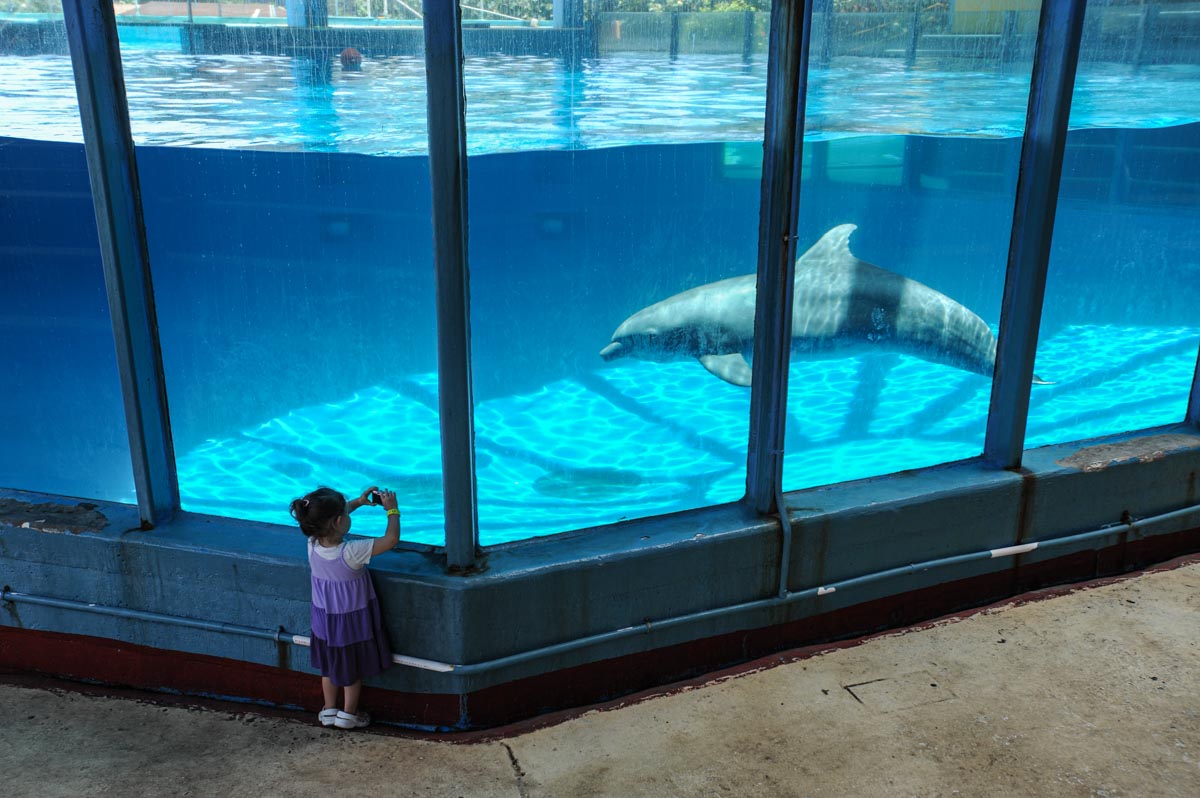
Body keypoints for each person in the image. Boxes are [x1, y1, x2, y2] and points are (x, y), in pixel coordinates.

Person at [290, 485, 400, 729]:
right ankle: (349, 714)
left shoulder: (312, 543)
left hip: (323, 620)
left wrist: (358, 503)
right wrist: (392, 511)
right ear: (339, 521)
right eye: (346, 514)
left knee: (329, 666)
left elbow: (327, 520)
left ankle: (329, 709)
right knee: (351, 669)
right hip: (350, 622)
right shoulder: (352, 552)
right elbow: (391, 540)